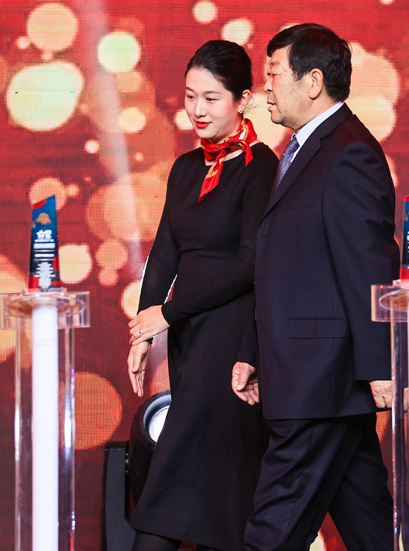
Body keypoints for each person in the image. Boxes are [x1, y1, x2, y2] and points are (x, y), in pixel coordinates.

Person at [231, 23, 397, 551]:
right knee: (370, 528)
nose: (265, 86)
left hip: (319, 383)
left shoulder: (348, 152)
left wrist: (381, 366)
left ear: (313, 82)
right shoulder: (303, 150)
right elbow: (287, 269)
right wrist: (253, 349)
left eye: (273, 72)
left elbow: (368, 266)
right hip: (314, 380)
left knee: (272, 532)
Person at [126, 40, 278, 551]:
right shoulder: (186, 168)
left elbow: (250, 264)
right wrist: (142, 334)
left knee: (197, 477)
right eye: (190, 96)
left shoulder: (260, 167)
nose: (197, 109)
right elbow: (164, 255)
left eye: (211, 98)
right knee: (212, 490)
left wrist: (167, 314)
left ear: (243, 99)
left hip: (232, 340)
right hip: (190, 341)